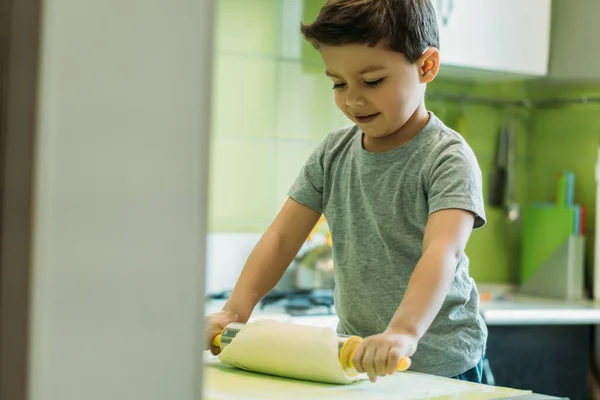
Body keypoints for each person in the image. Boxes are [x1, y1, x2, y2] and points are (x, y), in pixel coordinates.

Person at [205, 0, 488, 384]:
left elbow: (443, 251)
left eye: (372, 81)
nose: (352, 99)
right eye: (338, 83)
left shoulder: (447, 158)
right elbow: (281, 237)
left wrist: (403, 332)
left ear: (426, 67)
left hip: (443, 364)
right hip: (358, 359)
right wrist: (234, 312)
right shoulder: (333, 152)